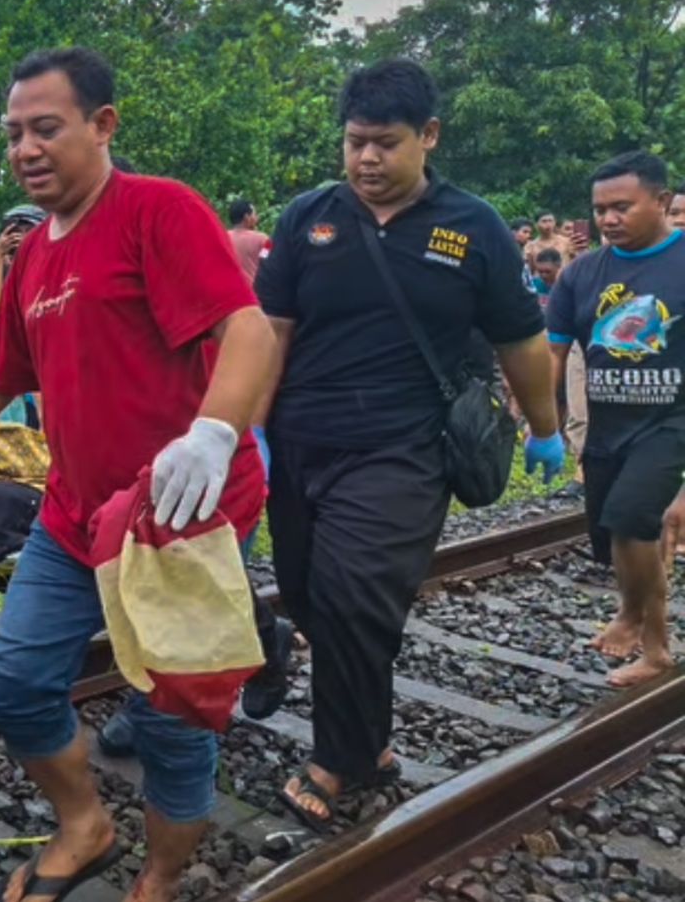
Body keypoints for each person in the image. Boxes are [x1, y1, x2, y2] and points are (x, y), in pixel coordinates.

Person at [0, 47, 276, 902]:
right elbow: (2, 377)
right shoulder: (35, 255)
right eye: (14, 135)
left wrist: (216, 433)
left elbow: (249, 332)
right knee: (17, 684)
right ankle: (86, 823)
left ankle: (162, 873)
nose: (26, 149)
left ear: (102, 126)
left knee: (169, 717)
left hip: (181, 511)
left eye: (47, 129)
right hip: (74, 514)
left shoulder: (159, 211)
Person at [254, 59, 564, 832]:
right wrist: (247, 429)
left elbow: (521, 340)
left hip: (406, 449)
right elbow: (271, 331)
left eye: (385, 144)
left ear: (427, 137)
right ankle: (374, 739)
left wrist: (548, 429)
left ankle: (341, 762)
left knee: (355, 592)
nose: (366, 160)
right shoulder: (308, 219)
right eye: (355, 142)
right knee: (304, 591)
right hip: (302, 442)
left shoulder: (475, 227)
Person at [547, 151, 685, 687]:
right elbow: (554, 352)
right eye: (600, 209)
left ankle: (653, 646)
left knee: (631, 521)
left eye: (621, 207)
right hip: (608, 427)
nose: (608, 219)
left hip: (672, 422)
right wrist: (542, 421)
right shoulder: (581, 273)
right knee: (612, 539)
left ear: (663, 201)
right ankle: (633, 613)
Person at [0, 205, 47, 428]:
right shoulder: (6, 264)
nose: (19, 235)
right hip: (12, 354)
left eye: (26, 228)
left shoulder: (49, 260)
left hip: (40, 354)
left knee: (43, 411)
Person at [226, 199, 270, 283]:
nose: (257, 218)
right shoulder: (265, 240)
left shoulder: (223, 237)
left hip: (228, 289)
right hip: (253, 291)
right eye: (254, 214)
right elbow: (269, 263)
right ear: (247, 217)